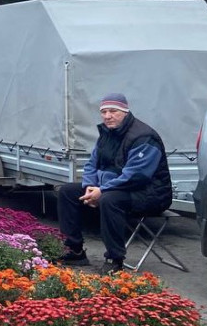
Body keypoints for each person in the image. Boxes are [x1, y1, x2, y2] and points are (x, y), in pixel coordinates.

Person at [57, 93, 173, 274]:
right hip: (115, 189)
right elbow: (91, 164)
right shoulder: (107, 133)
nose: (107, 116)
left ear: (125, 112)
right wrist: (90, 186)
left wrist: (101, 191)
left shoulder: (144, 137)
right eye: (103, 112)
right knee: (67, 192)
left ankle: (115, 259)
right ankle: (75, 251)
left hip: (151, 194)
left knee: (109, 200)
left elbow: (136, 176)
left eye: (113, 111)